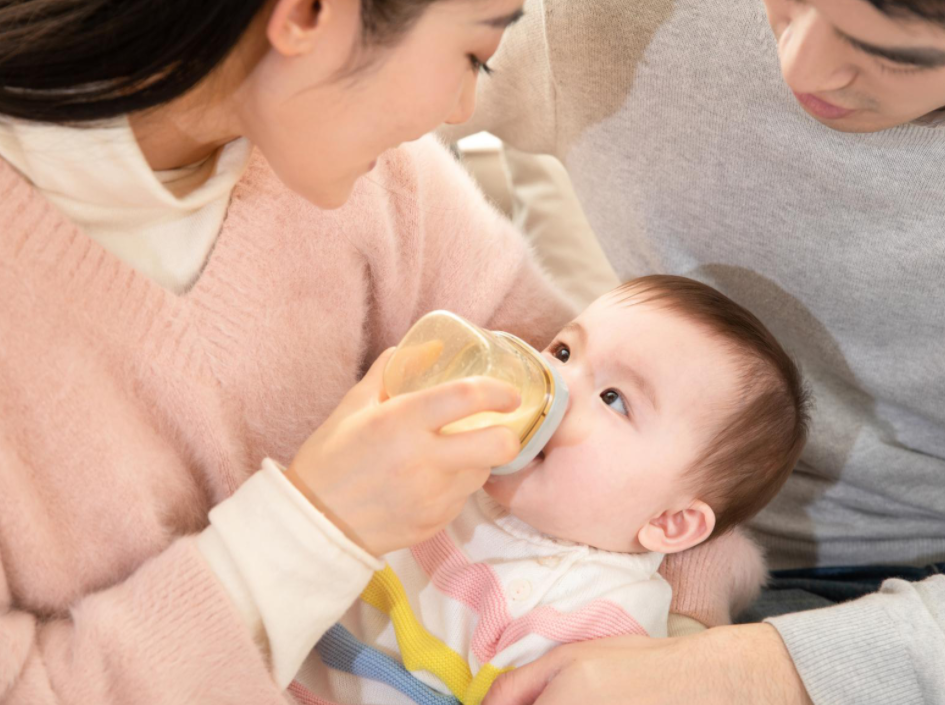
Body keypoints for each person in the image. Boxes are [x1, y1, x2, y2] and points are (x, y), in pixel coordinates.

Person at [443, 0, 945, 703]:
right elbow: (320, 90)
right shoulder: (621, 16)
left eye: (894, 54)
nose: (798, 65)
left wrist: (739, 671)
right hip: (621, 535)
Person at [0, 1, 585, 703]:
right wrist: (316, 527)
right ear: (309, 15)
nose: (463, 108)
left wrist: (675, 625)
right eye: (474, 56)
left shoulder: (380, 178)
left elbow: (633, 404)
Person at [292, 274, 809, 705]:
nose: (552, 382)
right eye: (563, 350)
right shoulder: (456, 465)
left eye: (614, 398)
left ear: (668, 523)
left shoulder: (597, 624)